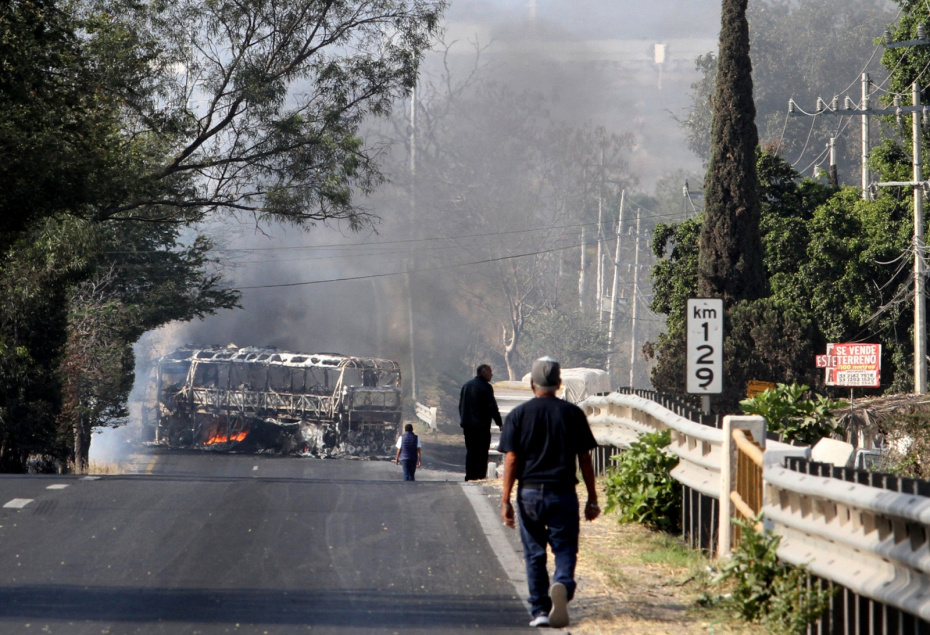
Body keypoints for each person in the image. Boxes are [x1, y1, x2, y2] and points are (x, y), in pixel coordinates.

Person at [499, 356, 601, 629]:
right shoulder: (572, 414)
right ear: (558, 383)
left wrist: (505, 500)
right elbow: (585, 459)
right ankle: (563, 584)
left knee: (534, 552)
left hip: (529, 493)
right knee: (565, 546)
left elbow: (511, 459)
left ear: (532, 383)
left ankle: (540, 611)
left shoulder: (519, 415)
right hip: (563, 492)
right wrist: (592, 498)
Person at [458, 363, 503, 481]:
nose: (492, 374)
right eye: (490, 372)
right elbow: (492, 406)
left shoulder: (466, 386)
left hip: (468, 426)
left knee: (471, 451)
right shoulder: (486, 387)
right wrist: (499, 422)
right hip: (481, 426)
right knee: (482, 452)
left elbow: (461, 406)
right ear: (483, 372)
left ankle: (470, 476)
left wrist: (463, 420)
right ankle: (480, 476)